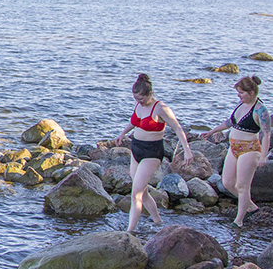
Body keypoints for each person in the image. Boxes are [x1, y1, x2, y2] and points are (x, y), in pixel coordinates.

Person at [116, 73, 193, 232]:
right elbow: (133, 121)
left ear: (149, 94)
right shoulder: (139, 105)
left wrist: (187, 150)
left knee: (135, 194)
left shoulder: (161, 108)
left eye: (141, 99)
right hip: (136, 149)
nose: (139, 102)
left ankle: (130, 232)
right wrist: (122, 133)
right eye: (136, 99)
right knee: (142, 191)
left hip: (152, 153)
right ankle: (158, 222)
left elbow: (178, 128)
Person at [200, 75, 271, 228]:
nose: (239, 96)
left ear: (252, 92)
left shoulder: (261, 110)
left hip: (249, 150)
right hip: (233, 148)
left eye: (241, 93)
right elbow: (230, 122)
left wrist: (264, 155)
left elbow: (266, 134)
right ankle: (251, 207)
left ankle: (238, 220)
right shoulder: (241, 104)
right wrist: (212, 131)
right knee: (227, 182)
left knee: (242, 185)